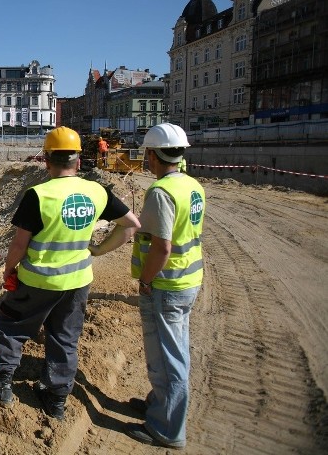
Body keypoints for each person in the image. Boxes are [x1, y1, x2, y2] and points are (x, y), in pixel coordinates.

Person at [0, 126, 140, 420]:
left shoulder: (39, 195)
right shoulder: (96, 191)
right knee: (64, 337)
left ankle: (0, 387)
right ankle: (56, 398)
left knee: (11, 327)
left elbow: (20, 244)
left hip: (38, 280)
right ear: (78, 160)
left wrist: (9, 270)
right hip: (78, 281)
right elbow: (131, 224)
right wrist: (98, 250)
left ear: (47, 160)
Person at [124, 122, 205, 450]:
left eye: (147, 153)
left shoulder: (161, 192)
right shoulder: (192, 185)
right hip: (188, 279)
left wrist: (145, 280)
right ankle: (161, 404)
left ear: (153, 155)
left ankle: (168, 428)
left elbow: (162, 247)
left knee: (170, 355)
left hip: (168, 283)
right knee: (173, 349)